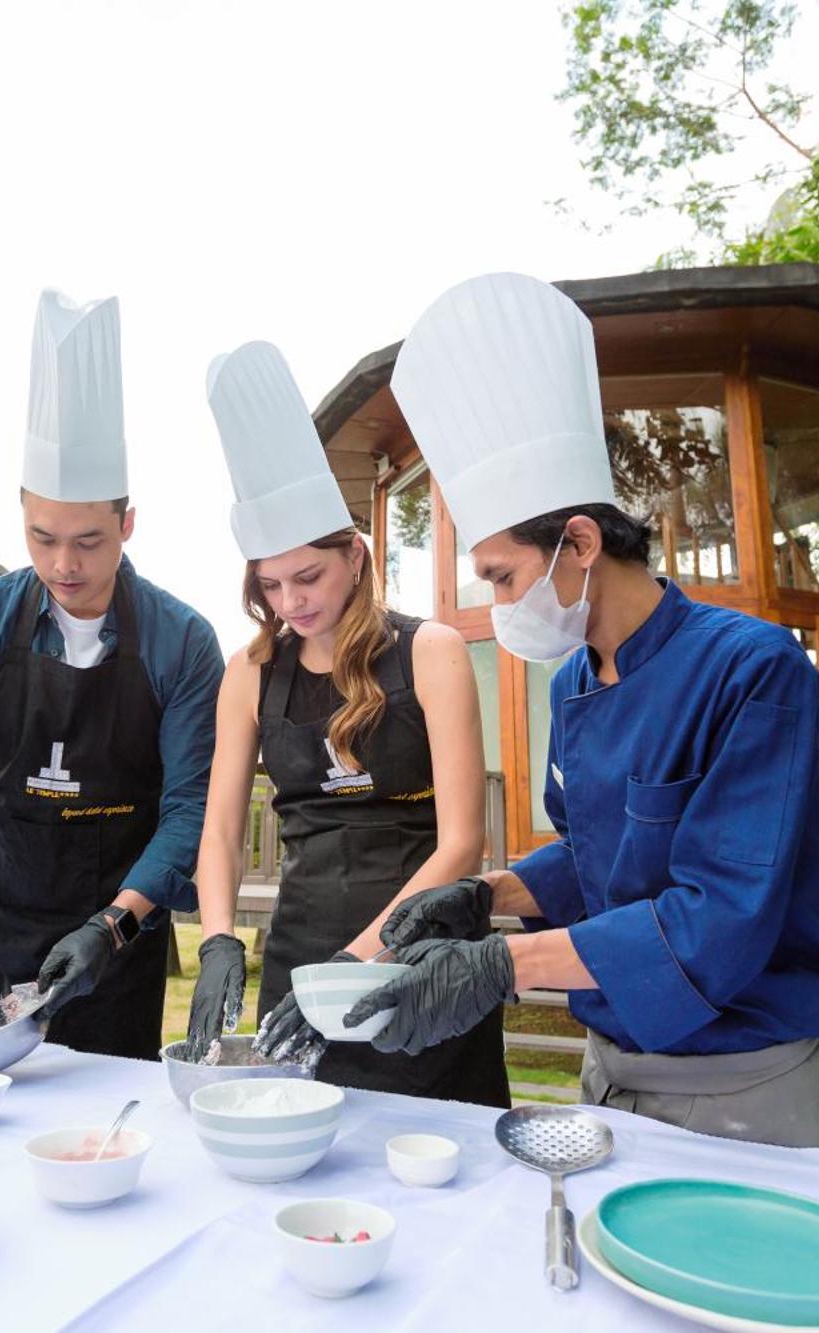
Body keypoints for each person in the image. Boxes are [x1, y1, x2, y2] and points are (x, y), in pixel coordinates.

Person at [345, 273, 819, 1150]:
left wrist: (498, 963)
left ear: (581, 543)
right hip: (609, 1071)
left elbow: (716, 917)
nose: (503, 604)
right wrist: (486, 896)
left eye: (505, 577)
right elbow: (599, 860)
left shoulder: (752, 669)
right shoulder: (575, 684)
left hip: (745, 1087)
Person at [0, 289, 223, 1060]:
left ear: (129, 524)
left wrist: (116, 924)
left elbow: (189, 809)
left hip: (114, 938)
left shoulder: (183, 642)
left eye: (91, 540)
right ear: (22, 512)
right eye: (43, 536)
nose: (65, 564)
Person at [182, 341, 508, 1106]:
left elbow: (463, 841)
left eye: (308, 576)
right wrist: (219, 936)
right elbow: (221, 830)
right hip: (303, 947)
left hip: (421, 952)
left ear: (355, 555)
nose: (291, 601)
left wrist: (359, 962)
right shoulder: (251, 672)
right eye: (271, 584)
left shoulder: (431, 650)